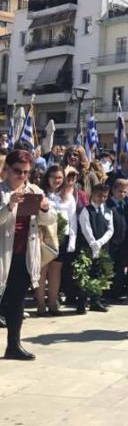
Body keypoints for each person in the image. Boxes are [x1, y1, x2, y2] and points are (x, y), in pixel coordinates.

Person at [0, 150, 56, 360]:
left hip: (24, 254)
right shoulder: (1, 191)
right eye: (17, 171)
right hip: (2, 253)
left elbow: (49, 220)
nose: (22, 176)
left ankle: (13, 345)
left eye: (26, 172)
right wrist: (9, 205)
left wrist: (44, 208)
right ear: (6, 169)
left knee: (17, 301)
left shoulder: (34, 190)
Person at [36, 165, 74, 316]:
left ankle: (52, 303)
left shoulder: (68, 196)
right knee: (42, 270)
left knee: (55, 271)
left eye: (59, 177)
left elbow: (72, 220)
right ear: (48, 178)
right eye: (53, 177)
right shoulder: (41, 194)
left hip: (62, 237)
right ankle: (40, 304)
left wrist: (72, 240)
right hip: (44, 236)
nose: (56, 180)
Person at [77, 184, 115, 314]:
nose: (102, 199)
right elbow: (86, 228)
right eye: (99, 196)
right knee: (86, 273)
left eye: (105, 196)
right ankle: (82, 301)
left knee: (99, 273)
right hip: (88, 247)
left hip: (102, 247)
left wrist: (100, 242)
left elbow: (110, 230)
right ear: (93, 194)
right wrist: (93, 243)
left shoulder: (108, 211)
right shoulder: (86, 210)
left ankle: (96, 301)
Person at [106, 179, 128, 303]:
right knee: (109, 268)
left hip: (123, 243)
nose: (122, 194)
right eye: (120, 191)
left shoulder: (127, 206)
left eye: (125, 192)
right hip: (111, 242)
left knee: (120, 268)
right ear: (113, 190)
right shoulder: (108, 205)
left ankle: (117, 292)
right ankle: (108, 293)